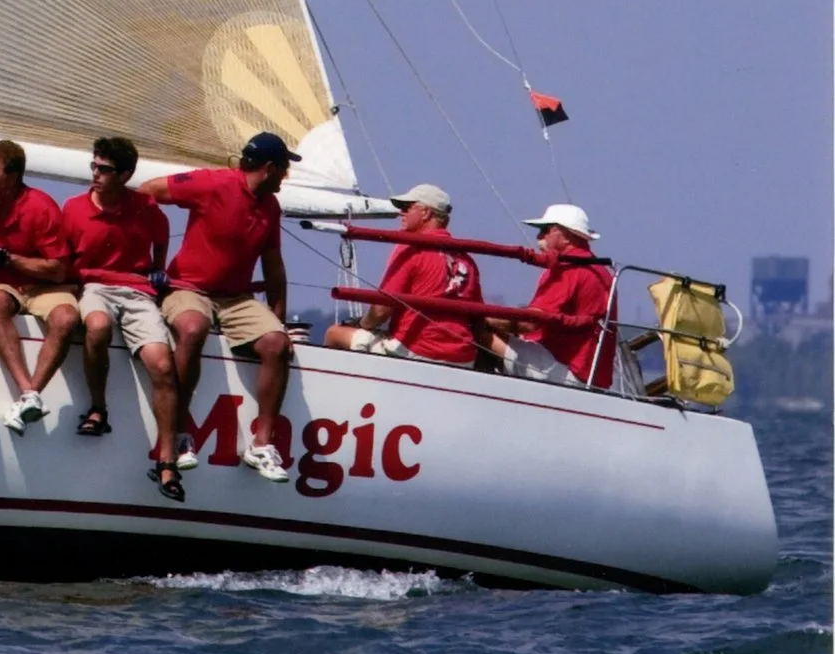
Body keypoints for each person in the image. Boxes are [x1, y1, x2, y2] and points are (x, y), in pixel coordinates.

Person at [152, 131, 295, 481]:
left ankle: (261, 444)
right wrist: (150, 261)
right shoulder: (212, 183)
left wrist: (277, 317)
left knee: (277, 344)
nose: (287, 177)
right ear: (270, 168)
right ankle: (179, 431)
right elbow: (148, 192)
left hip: (236, 298)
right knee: (192, 328)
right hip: (189, 287)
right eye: (285, 169)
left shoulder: (270, 206)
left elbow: (273, 263)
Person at [60, 134, 181, 493]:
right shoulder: (73, 207)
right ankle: (98, 409)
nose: (96, 173)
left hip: (136, 289)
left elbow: (162, 237)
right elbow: (65, 260)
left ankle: (168, 460)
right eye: (93, 166)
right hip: (93, 286)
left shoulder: (144, 207)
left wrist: (157, 270)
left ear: (125, 175)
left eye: (105, 169)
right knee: (96, 326)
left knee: (161, 363)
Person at [0, 141, 80, 433]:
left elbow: (57, 269)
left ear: (13, 177)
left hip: (43, 287)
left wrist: (11, 260)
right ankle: (29, 393)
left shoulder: (41, 207)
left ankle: (30, 394)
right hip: (5, 286)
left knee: (67, 318)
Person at [325, 182, 486, 368]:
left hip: (414, 351)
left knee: (334, 334)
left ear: (425, 212)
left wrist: (361, 324)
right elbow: (478, 319)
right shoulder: (467, 259)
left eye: (406, 207)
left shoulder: (410, 248)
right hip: (463, 358)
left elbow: (380, 310)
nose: (401, 213)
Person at [490, 206, 618, 388]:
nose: (538, 237)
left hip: (567, 371)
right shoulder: (601, 271)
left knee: (474, 331)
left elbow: (530, 322)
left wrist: (479, 316)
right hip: (591, 376)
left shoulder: (568, 270)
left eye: (544, 231)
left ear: (561, 233)